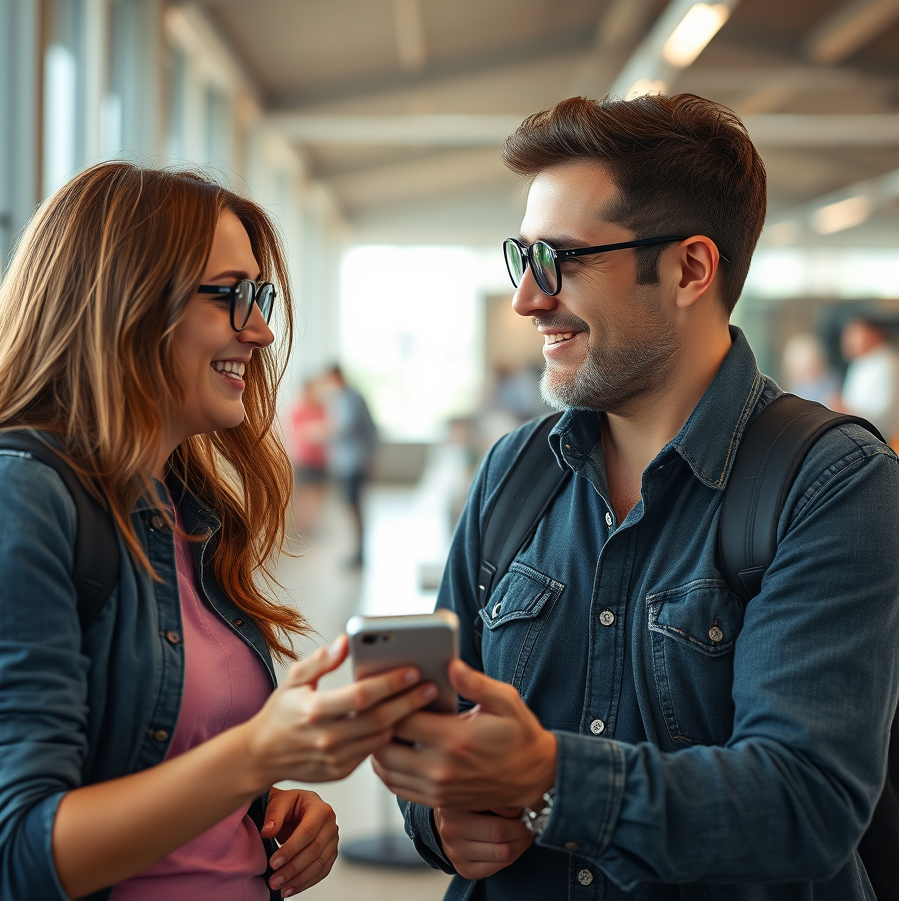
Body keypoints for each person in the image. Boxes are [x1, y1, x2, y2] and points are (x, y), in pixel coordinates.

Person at [370, 95, 899, 899]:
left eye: (564, 260)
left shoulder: (830, 485)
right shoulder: (513, 473)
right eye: (523, 258)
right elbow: (448, 740)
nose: (527, 298)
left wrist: (553, 776)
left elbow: (806, 805)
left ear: (690, 268)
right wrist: (440, 820)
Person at [0, 163, 438, 901]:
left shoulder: (183, 506)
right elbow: (15, 853)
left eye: (260, 296)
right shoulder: (11, 500)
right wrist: (253, 755)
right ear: (128, 304)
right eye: (233, 296)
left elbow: (171, 758)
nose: (262, 330)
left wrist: (266, 812)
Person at [324, 364, 378, 568]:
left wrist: (322, 432)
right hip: (348, 462)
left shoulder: (351, 398)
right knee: (351, 505)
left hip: (354, 462)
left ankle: (359, 552)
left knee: (354, 505)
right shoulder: (342, 398)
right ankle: (357, 550)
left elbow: (346, 427)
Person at [840, 314, 899, 444]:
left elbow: (885, 417)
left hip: (880, 441)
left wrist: (847, 411)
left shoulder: (888, 364)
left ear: (874, 334)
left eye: (854, 334)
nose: (848, 341)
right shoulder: (859, 362)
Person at [288, 375, 330, 537]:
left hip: (320, 458)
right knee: (305, 493)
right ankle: (302, 526)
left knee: (318, 493)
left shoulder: (321, 408)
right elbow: (296, 433)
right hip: (304, 459)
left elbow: (330, 427)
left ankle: (311, 525)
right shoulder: (298, 409)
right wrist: (312, 432)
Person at [780, 331, 840, 408]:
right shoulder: (792, 394)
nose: (809, 378)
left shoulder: (833, 384)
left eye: (812, 370)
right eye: (803, 374)